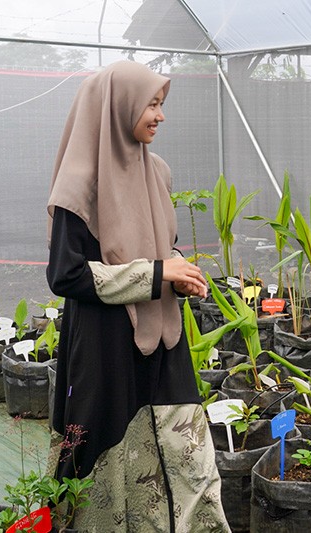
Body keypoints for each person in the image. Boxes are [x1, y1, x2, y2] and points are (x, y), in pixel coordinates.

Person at [46, 60, 230, 531]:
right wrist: (155, 274)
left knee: (189, 458)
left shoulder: (158, 173)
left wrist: (177, 273)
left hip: (163, 339)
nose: (159, 115)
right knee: (108, 462)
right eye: (152, 104)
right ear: (118, 107)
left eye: (161, 104)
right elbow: (65, 274)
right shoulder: (79, 185)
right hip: (106, 348)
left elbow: (158, 245)